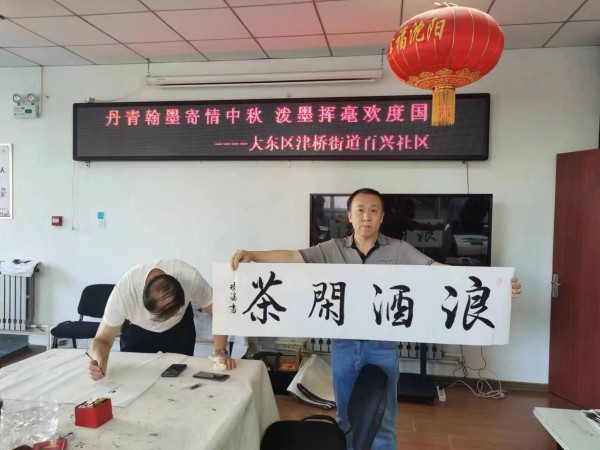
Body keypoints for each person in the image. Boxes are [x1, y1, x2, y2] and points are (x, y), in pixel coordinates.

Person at [230, 188, 521, 450]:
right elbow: (294, 256)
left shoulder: (399, 250)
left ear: (382, 217)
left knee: (383, 418)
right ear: (349, 216)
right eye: (360, 210)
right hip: (343, 346)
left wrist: (493, 285)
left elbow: (436, 269)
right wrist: (254, 255)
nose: (366, 217)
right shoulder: (331, 249)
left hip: (382, 347)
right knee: (345, 416)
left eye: (373, 211)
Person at [88, 259, 236, 381]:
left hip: (179, 329)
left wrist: (220, 351)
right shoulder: (124, 293)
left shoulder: (189, 277)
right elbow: (102, 340)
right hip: (137, 330)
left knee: (181, 376)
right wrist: (99, 363)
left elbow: (220, 312)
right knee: (135, 378)